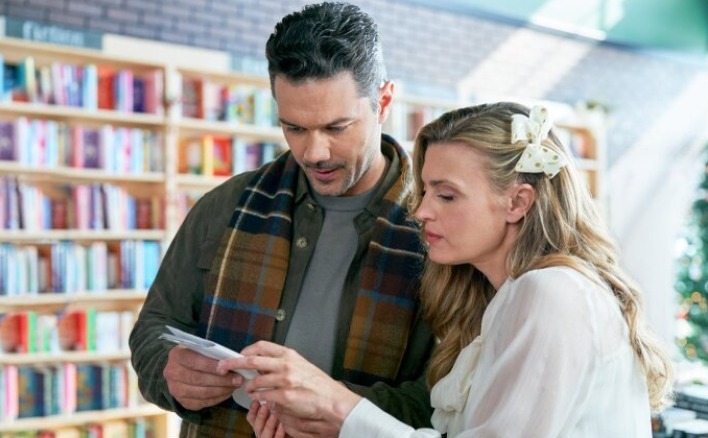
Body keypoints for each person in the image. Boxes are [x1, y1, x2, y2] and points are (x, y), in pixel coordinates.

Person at [218, 102, 676, 437]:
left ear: (518, 202)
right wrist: (325, 426)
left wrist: (342, 408)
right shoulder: (505, 300)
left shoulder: (551, 294)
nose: (420, 212)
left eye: (447, 195)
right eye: (424, 192)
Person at [129, 3, 435, 436]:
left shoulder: (438, 228)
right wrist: (170, 372)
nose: (314, 153)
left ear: (383, 101)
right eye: (293, 127)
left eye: (336, 127)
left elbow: (448, 403)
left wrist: (336, 410)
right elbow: (154, 328)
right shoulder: (225, 205)